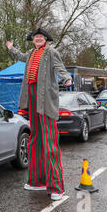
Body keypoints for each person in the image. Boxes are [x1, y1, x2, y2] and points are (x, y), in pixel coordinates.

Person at [6, 28, 72, 201]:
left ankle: (57, 187)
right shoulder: (30, 53)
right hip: (31, 97)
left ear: (46, 40)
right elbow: (20, 56)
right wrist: (11, 48)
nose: (38, 39)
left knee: (49, 142)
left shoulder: (51, 52)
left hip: (45, 99)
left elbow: (60, 67)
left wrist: (66, 78)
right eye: (36, 37)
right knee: (35, 139)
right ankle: (36, 181)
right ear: (33, 40)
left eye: (41, 37)